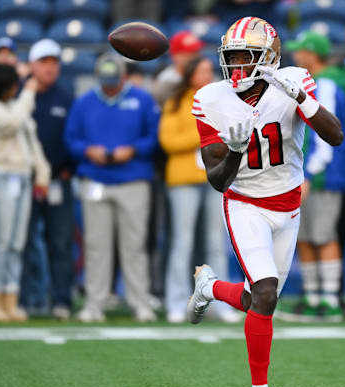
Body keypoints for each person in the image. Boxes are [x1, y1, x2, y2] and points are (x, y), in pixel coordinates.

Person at [186, 17, 343, 387]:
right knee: (267, 294)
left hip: (288, 205)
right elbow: (217, 180)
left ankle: (208, 287)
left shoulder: (294, 81)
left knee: (254, 298)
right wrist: (236, 151)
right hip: (245, 203)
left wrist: (305, 100)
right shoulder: (209, 99)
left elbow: (336, 136)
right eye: (231, 58)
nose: (236, 67)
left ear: (270, 57)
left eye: (247, 57)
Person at [65, 53, 160, 323]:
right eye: (105, 81)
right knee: (96, 245)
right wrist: (87, 150)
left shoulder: (142, 99)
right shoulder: (84, 102)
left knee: (134, 246)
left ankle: (139, 302)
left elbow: (154, 137)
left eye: (114, 81)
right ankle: (94, 304)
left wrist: (132, 150)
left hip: (133, 180)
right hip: (95, 179)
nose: (110, 86)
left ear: (124, 77)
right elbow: (71, 139)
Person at [278, 31, 345, 322]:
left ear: (312, 54)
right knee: (307, 236)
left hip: (322, 174)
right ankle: (312, 298)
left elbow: (327, 134)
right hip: (305, 174)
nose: (296, 56)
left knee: (324, 235)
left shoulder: (327, 84)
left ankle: (330, 300)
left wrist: (309, 173)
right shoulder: (311, 83)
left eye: (301, 51)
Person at [159, 56, 240, 324]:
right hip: (183, 179)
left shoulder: (222, 101)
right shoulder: (177, 101)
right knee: (182, 242)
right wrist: (204, 133)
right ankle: (176, 301)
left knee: (216, 242)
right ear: (190, 74)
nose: (207, 75)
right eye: (202, 71)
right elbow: (168, 140)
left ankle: (221, 304)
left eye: (209, 71)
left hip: (215, 177)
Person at [0, 64, 50, 322]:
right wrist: (28, 94)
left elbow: (31, 138)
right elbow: (13, 123)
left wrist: (42, 171)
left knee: (16, 243)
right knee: (0, 242)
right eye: (13, 84)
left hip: (21, 177)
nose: (17, 88)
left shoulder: (12, 105)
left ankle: (10, 298)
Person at [19, 39, 76, 320]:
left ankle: (61, 300)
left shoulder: (66, 97)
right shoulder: (20, 95)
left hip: (58, 180)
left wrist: (69, 168)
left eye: (54, 62)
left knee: (61, 243)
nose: (49, 68)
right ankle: (30, 300)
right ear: (31, 65)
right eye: (43, 62)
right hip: (25, 182)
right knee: (25, 241)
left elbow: (74, 137)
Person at [151, 31, 204, 104]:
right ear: (176, 56)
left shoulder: (206, 75)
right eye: (190, 53)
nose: (195, 57)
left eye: (196, 52)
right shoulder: (166, 79)